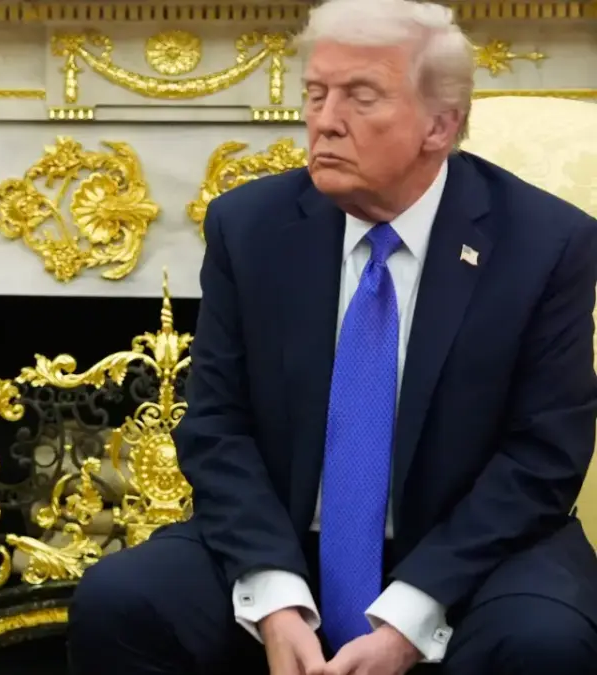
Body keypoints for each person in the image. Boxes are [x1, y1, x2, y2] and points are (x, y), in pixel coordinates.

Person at [67, 1, 597, 674]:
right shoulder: (250, 227)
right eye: (316, 93)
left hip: (470, 550)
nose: (325, 120)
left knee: (543, 641)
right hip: (284, 540)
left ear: (440, 124)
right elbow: (217, 426)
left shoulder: (545, 244)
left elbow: (542, 457)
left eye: (360, 96)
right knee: (121, 600)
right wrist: (274, 598)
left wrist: (409, 617)